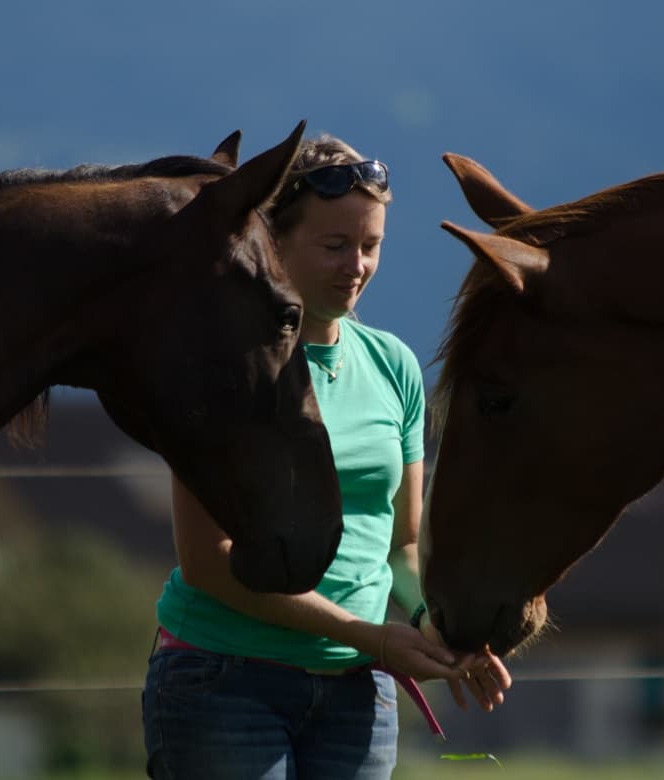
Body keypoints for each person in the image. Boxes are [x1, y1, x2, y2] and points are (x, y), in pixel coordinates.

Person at [140, 135, 511, 779]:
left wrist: (440, 629)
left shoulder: (394, 365)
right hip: (225, 681)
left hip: (358, 693)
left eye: (371, 247)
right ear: (274, 243)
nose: (357, 266)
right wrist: (370, 636)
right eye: (335, 246)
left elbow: (402, 547)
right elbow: (206, 563)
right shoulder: (224, 365)